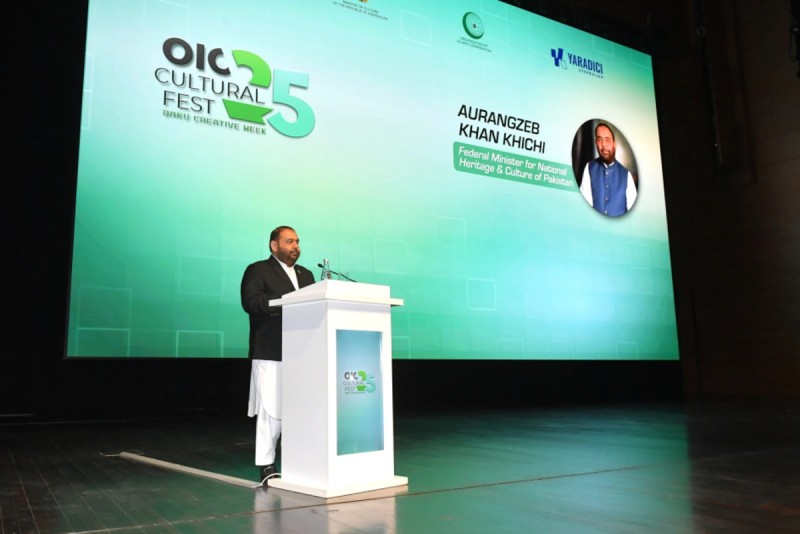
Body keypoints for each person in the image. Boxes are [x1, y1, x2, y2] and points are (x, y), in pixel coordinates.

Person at [240, 225, 315, 483]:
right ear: (274, 246)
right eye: (289, 241)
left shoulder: (306, 274)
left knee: (299, 408)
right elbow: (251, 302)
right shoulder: (258, 269)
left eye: (297, 242)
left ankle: (299, 459)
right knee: (270, 410)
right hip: (270, 349)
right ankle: (267, 464)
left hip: (302, 352)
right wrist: (286, 301)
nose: (296, 247)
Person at [579, 123, 638, 216]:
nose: (603, 145)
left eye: (607, 139)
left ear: (614, 144)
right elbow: (584, 209)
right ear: (596, 143)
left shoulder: (626, 175)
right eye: (599, 139)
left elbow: (634, 214)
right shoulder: (589, 168)